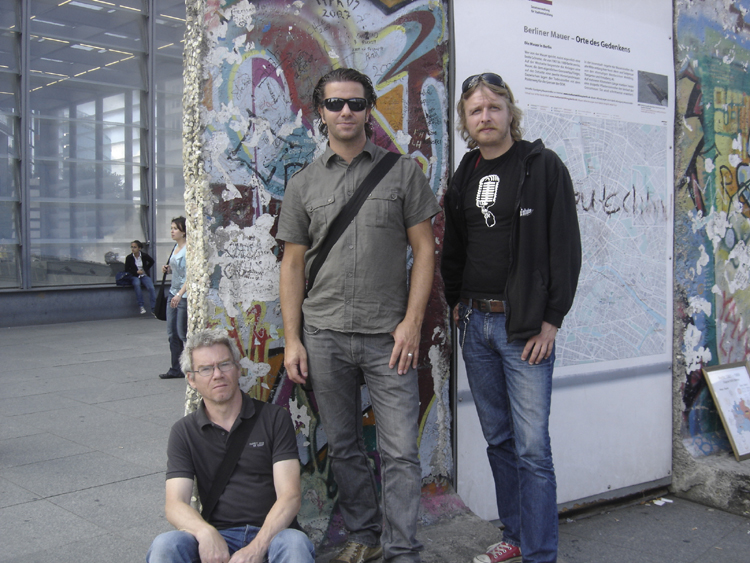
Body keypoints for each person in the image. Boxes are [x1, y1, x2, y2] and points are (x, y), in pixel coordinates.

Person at [277, 68, 440, 563]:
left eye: (355, 103)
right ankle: (365, 536)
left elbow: (425, 250)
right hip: (324, 334)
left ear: (369, 109)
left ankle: (402, 550)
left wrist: (412, 323)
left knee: (400, 451)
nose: (345, 111)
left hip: (389, 337)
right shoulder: (303, 183)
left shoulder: (403, 172)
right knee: (344, 445)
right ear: (320, 112)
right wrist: (293, 339)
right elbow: (292, 265)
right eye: (334, 104)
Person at [441, 73, 581, 563]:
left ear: (509, 112)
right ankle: (515, 536)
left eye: (493, 107)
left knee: (532, 449)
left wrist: (552, 319)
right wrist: (456, 300)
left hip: (523, 328)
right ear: (466, 121)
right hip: (475, 323)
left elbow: (565, 247)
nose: (485, 117)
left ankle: (541, 553)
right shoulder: (466, 171)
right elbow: (455, 245)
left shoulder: (541, 166)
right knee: (499, 440)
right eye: (475, 111)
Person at [146, 329, 315, 563]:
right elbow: (175, 504)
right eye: (206, 369)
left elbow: (290, 496)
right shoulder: (184, 432)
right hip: (218, 536)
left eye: (224, 364)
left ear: (237, 368)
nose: (217, 375)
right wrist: (205, 533)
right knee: (165, 545)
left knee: (295, 543)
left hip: (272, 535)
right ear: (191, 379)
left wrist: (256, 548)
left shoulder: (274, 418)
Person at [160, 217, 188, 379]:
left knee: (182, 332)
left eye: (175, 228)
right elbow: (178, 270)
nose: (172, 231)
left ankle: (191, 366)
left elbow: (190, 276)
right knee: (172, 333)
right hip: (173, 292)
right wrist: (168, 270)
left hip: (183, 295)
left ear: (183, 232)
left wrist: (179, 294)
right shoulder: (175, 247)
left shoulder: (188, 249)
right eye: (171, 228)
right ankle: (176, 369)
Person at [125, 240, 157, 315]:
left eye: (135, 247)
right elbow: (127, 270)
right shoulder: (129, 257)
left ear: (139, 248)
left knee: (151, 288)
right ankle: (141, 306)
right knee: (137, 284)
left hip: (143, 275)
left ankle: (154, 309)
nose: (133, 249)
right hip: (134, 276)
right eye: (132, 247)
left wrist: (145, 269)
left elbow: (152, 261)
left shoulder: (144, 255)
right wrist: (136, 272)